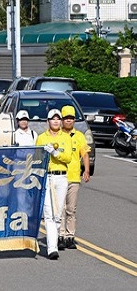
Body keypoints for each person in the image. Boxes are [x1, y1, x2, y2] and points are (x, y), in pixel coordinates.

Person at [36, 109, 72, 260]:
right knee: (49, 214)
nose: (56, 121)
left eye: (58, 119)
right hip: (47, 177)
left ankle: (53, 241)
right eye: (53, 119)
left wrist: (55, 153)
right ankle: (52, 248)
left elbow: (68, 157)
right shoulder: (41, 138)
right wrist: (44, 153)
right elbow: (36, 157)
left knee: (58, 214)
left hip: (61, 177)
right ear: (48, 121)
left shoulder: (66, 137)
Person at [59, 105, 91, 250]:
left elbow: (84, 153)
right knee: (60, 208)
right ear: (62, 120)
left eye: (71, 118)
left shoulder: (79, 136)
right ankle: (60, 235)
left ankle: (70, 236)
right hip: (60, 176)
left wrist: (86, 170)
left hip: (73, 177)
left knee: (71, 209)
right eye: (66, 118)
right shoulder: (58, 135)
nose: (69, 121)